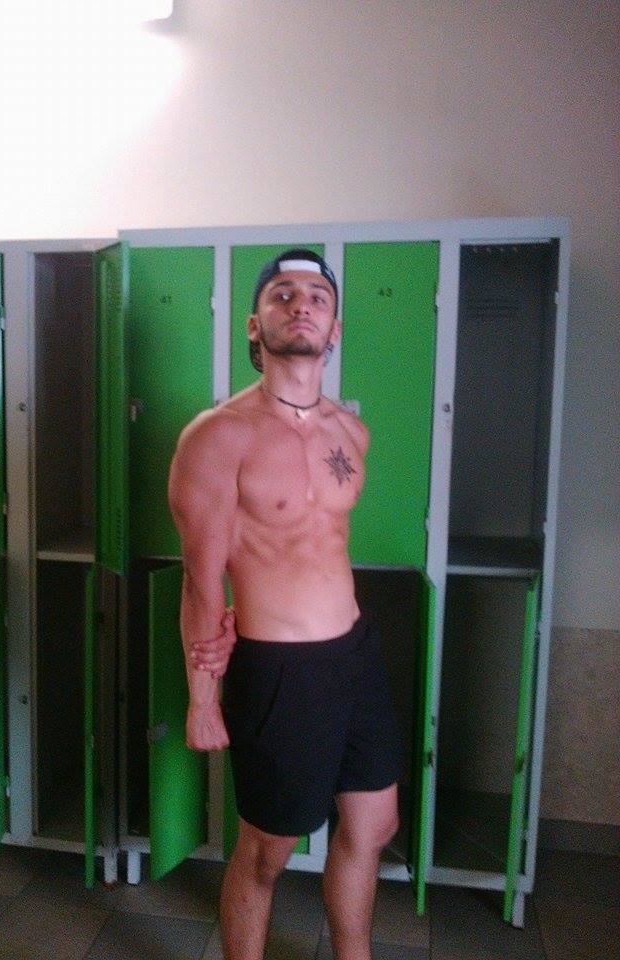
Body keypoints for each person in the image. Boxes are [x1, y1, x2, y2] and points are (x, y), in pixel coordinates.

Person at [168, 249, 402, 960]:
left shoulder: (351, 433)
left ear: (335, 329)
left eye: (317, 297)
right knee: (268, 850)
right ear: (254, 324)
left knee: (375, 825)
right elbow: (202, 579)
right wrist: (202, 699)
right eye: (282, 294)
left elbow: (322, 546)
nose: (302, 304)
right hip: (280, 668)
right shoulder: (218, 435)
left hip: (354, 653)